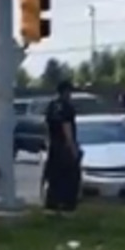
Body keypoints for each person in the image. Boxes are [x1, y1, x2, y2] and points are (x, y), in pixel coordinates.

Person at [43, 80, 81, 212]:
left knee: (54, 177)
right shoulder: (66, 107)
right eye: (69, 91)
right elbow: (67, 127)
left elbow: (47, 127)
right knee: (70, 178)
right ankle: (67, 206)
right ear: (65, 91)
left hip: (54, 146)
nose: (70, 94)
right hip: (64, 147)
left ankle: (51, 205)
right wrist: (73, 148)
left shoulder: (51, 106)